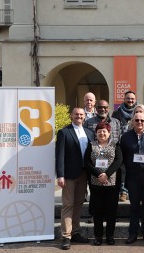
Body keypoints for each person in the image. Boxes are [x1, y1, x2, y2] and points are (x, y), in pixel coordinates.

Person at [55, 107, 94, 250]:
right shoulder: (64, 132)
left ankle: (75, 232)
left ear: (85, 117)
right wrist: (60, 175)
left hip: (84, 174)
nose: (79, 116)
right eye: (76, 114)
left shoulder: (89, 133)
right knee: (68, 205)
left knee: (78, 205)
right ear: (71, 116)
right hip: (69, 175)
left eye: (81, 115)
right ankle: (66, 236)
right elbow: (59, 155)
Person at [121, 111, 144, 244]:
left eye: (142, 121)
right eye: (137, 120)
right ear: (133, 122)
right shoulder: (125, 137)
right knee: (134, 206)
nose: (140, 123)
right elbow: (122, 158)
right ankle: (133, 233)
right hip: (133, 177)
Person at [84, 122, 122, 246]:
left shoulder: (115, 144)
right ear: (96, 133)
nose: (102, 133)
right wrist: (98, 174)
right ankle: (98, 236)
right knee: (98, 211)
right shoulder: (91, 145)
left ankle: (110, 236)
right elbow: (87, 161)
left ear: (109, 132)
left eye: (104, 131)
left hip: (112, 183)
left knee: (111, 211)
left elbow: (119, 160)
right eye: (99, 131)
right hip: (96, 184)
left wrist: (107, 174)